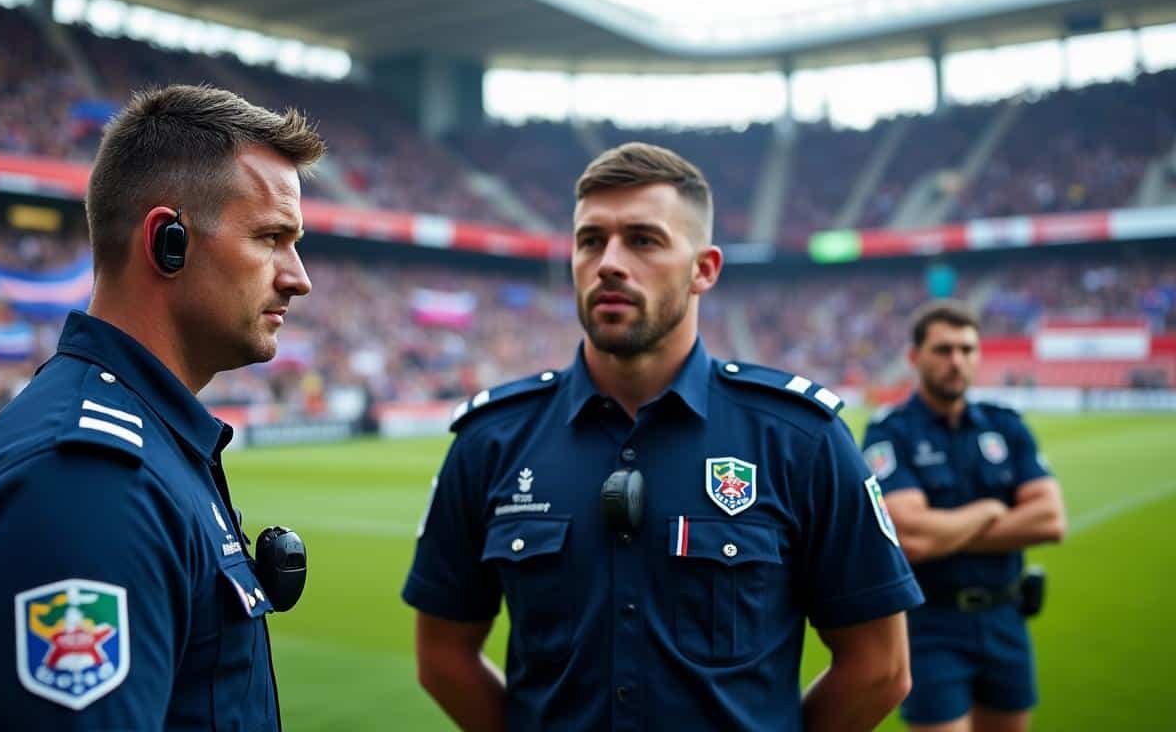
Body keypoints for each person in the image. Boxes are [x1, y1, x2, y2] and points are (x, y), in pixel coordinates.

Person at [403, 142, 924, 732]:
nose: (609, 263)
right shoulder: (492, 439)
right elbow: (443, 654)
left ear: (704, 269)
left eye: (643, 240)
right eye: (590, 240)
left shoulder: (800, 437)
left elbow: (881, 666)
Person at [0, 85, 324, 730]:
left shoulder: (144, 443)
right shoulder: (81, 485)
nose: (298, 276)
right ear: (168, 240)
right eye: (271, 237)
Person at [861, 300, 1067, 732]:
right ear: (914, 357)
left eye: (967, 349)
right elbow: (910, 536)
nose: (956, 361)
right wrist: (992, 510)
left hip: (1005, 617)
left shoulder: (1005, 425)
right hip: (933, 625)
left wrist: (947, 530)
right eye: (943, 350)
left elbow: (1050, 519)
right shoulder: (890, 431)